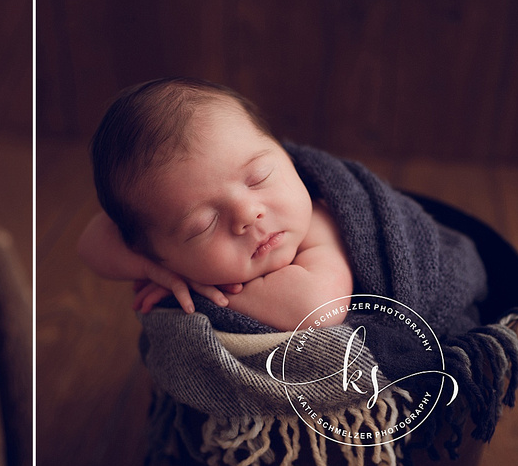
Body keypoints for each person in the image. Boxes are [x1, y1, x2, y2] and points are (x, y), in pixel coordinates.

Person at [78, 77, 352, 331]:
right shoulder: (159, 246)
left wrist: (200, 296)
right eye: (204, 224)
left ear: (285, 155)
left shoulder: (318, 219)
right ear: (154, 250)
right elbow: (90, 243)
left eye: (258, 178)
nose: (248, 213)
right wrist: (155, 269)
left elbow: (316, 308)